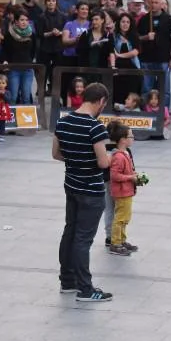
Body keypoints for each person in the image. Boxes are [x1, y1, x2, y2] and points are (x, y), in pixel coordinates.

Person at [53, 82, 112, 302]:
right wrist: (111, 157)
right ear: (101, 101)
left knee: (70, 232)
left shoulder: (63, 122)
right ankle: (85, 289)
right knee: (82, 239)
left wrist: (76, 158)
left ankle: (67, 281)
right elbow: (103, 162)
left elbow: (56, 154)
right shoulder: (95, 127)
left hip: (71, 185)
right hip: (91, 191)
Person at [136, 0, 171, 108]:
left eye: (156, 2)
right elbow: (137, 37)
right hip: (146, 59)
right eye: (152, 2)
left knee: (164, 89)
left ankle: (164, 112)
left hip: (163, 59)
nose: (153, 5)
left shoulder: (169, 20)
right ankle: (146, 111)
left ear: (161, 4)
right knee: (146, 88)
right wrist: (146, 37)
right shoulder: (144, 19)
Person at [106, 121, 139, 256]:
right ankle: (115, 243)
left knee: (125, 218)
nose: (133, 138)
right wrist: (131, 177)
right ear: (122, 140)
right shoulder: (119, 157)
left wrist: (134, 175)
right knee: (120, 218)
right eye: (130, 136)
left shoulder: (125, 153)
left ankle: (122, 240)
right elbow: (114, 175)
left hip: (127, 191)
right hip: (122, 192)